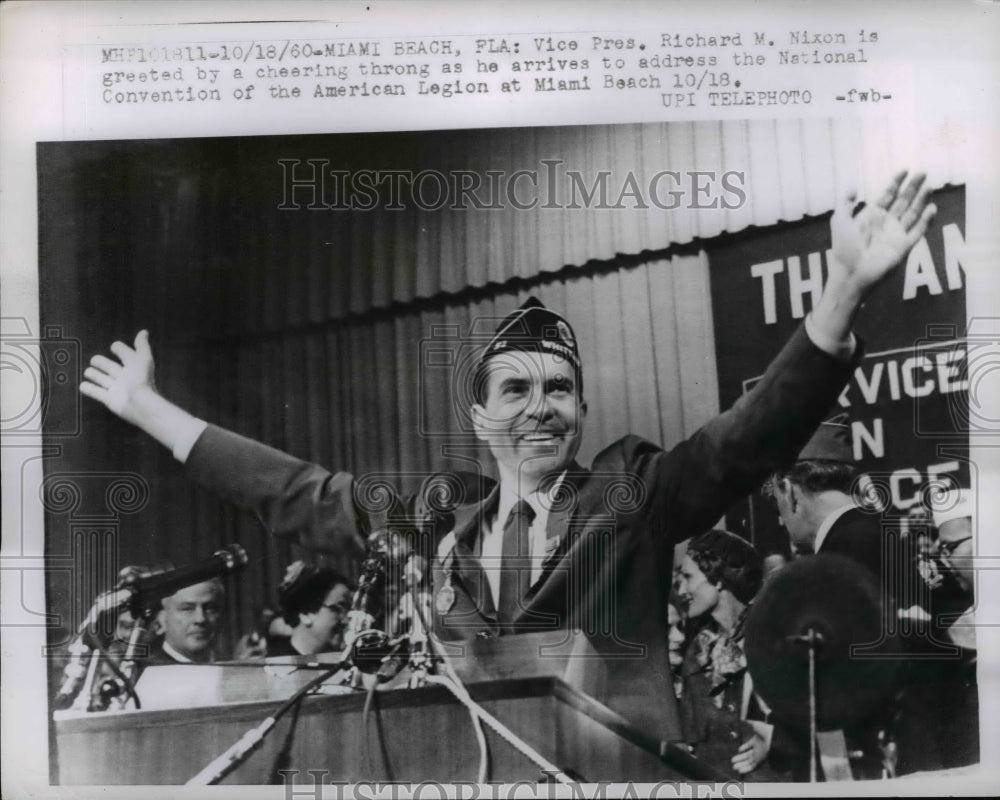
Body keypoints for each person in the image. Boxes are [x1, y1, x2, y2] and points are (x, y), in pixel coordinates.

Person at [79, 172, 935, 747]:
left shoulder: (631, 496)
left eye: (558, 389)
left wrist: (842, 295)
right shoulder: (428, 522)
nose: (540, 409)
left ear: (582, 410)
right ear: (480, 417)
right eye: (516, 391)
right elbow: (295, 492)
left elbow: (745, 440)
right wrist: (150, 408)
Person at [675, 529, 781, 781]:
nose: (681, 590)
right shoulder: (696, 649)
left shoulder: (774, 636)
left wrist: (776, 741)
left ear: (718, 578)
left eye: (688, 577)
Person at [267, 561, 352, 657]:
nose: (346, 620)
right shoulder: (274, 668)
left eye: (349, 610)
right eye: (339, 609)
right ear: (305, 613)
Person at [147, 579, 225, 665]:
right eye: (187, 609)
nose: (201, 619)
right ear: (161, 620)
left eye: (210, 608)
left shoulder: (232, 670)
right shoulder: (143, 673)